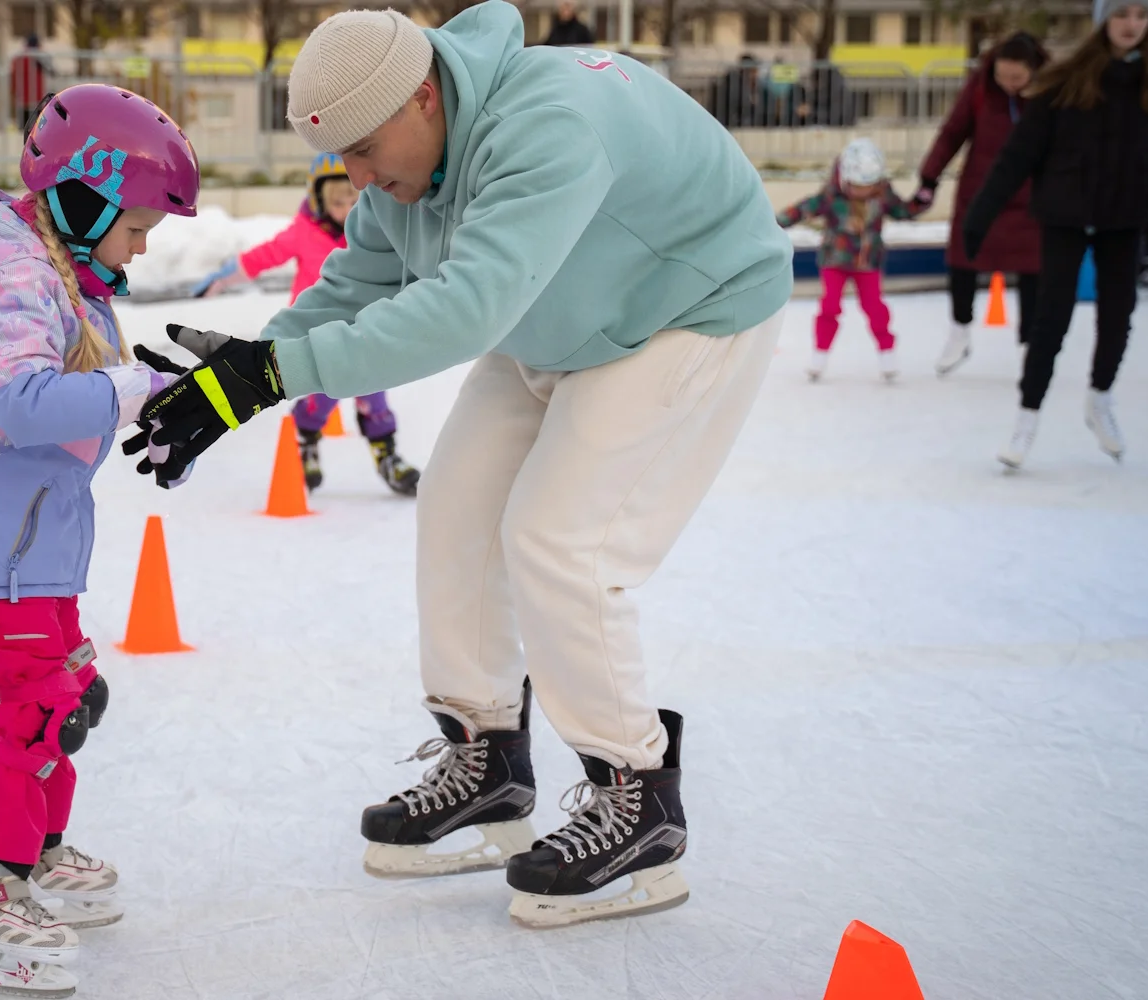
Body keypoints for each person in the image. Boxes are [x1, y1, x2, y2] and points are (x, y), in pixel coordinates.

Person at [128, 3, 791, 927]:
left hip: (688, 310)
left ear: (424, 97)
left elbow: (468, 308)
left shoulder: (545, 124)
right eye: (341, 161)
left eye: (363, 150)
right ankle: (489, 757)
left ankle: (637, 793)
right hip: (561, 320)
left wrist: (271, 375)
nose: (355, 179)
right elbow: (353, 288)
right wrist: (242, 370)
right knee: (457, 509)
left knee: (561, 539)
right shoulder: (406, 177)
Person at [0, 83, 199, 995]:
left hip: (33, 553)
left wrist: (168, 428)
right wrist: (138, 392)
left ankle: (35, 852)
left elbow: (84, 409)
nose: (144, 245)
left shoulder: (73, 281)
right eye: (138, 224)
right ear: (84, 198)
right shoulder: (16, 280)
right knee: (41, 706)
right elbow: (26, 404)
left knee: (73, 696)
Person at [963, 0, 1148, 470]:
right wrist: (978, 218)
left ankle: (1100, 398)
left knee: (1119, 315)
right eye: (1122, 14)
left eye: (1141, 16)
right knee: (1049, 322)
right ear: (1103, 20)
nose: (1131, 25)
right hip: (1066, 214)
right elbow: (1017, 157)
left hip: (1124, 219)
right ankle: (1027, 418)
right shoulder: (1064, 83)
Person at [190, 152, 423, 495]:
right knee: (322, 398)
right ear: (318, 200)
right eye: (337, 201)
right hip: (319, 338)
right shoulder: (304, 232)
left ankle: (387, 455)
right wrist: (226, 277)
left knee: (375, 396)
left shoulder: (372, 235)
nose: (346, 209)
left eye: (353, 200)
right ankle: (306, 440)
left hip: (365, 334)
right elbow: (265, 256)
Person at [917, 32, 1049, 375]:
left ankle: (1029, 345)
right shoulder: (980, 87)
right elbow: (953, 131)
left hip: (1031, 194)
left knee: (1034, 268)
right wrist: (929, 178)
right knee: (962, 257)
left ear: (1033, 72)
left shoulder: (1050, 91)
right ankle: (959, 331)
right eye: (1002, 77)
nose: (1009, 85)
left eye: (1017, 79)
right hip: (980, 188)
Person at [777, 137, 935, 382]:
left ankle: (887, 352)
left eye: (869, 185)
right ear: (844, 179)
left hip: (867, 263)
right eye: (858, 186)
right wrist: (774, 223)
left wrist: (922, 199)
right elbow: (802, 209)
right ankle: (819, 355)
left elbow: (903, 211)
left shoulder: (882, 196)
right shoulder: (832, 197)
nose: (863, 191)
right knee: (830, 306)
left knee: (874, 307)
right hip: (835, 261)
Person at [9, 35, 48, 131]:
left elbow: (13, 76)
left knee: (22, 129)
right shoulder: (39, 57)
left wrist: (13, 91)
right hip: (36, 99)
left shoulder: (18, 58)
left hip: (22, 99)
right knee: (36, 129)